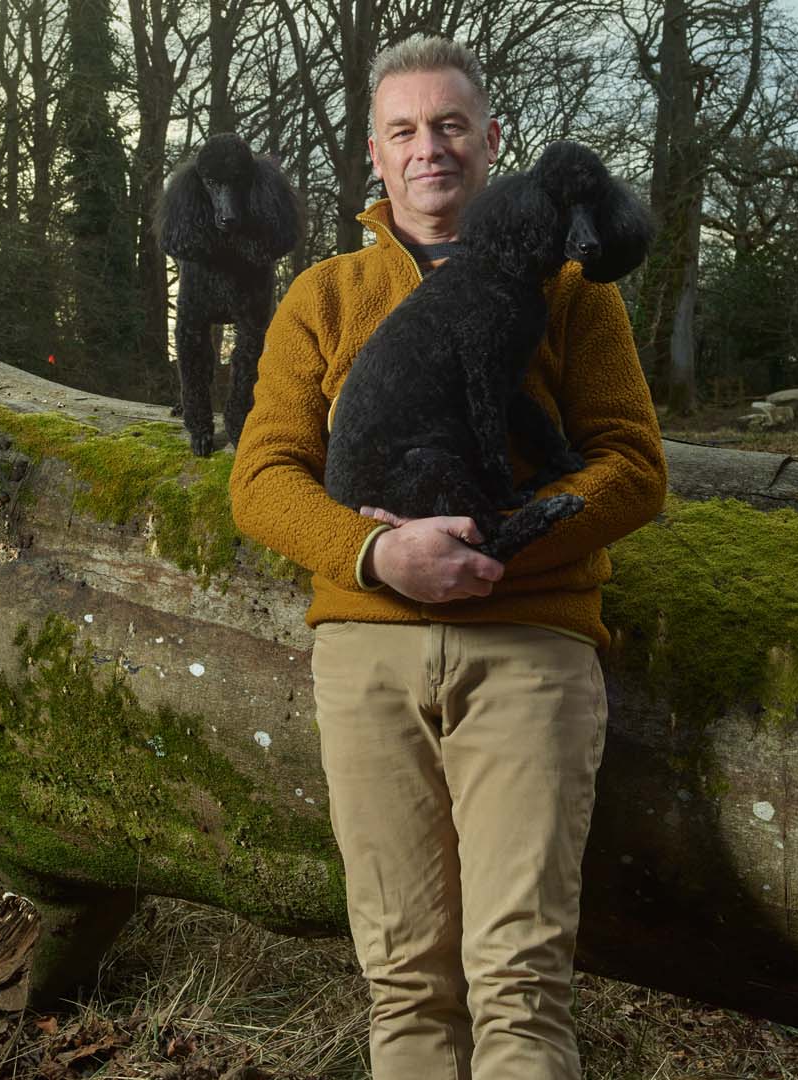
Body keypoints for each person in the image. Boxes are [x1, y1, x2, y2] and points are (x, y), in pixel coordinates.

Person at [228, 33, 667, 1080]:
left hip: (529, 648)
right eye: (405, 131)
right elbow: (262, 479)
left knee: (519, 982)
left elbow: (633, 467)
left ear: (491, 140)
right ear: (374, 156)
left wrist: (504, 548)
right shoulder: (321, 297)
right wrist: (378, 555)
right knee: (406, 981)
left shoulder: (574, 289)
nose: (431, 149)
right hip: (369, 658)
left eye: (451, 126)